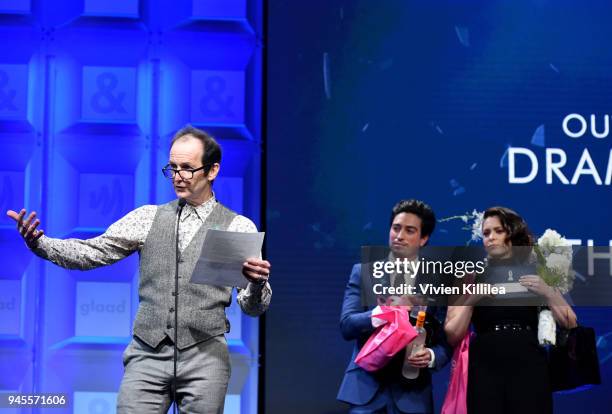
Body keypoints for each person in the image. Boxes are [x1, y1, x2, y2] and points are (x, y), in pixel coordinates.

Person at [6, 125, 272, 414]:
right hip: (147, 354)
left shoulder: (237, 226)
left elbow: (252, 306)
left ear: (212, 171)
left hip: (205, 357)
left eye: (187, 168)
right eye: (172, 168)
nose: (178, 177)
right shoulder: (147, 218)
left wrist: (257, 284)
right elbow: (91, 252)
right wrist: (41, 243)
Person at [444, 206, 577, 414]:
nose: (490, 238)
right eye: (486, 233)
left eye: (498, 231)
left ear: (513, 232)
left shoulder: (541, 270)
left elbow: (570, 322)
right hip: (484, 365)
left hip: (530, 363)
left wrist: (549, 292)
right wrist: (473, 298)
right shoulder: (469, 275)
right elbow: (452, 334)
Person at [337, 199, 452, 414]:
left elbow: (445, 341)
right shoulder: (363, 272)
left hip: (413, 394)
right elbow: (347, 325)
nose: (399, 236)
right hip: (366, 391)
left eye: (410, 231)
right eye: (396, 228)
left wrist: (431, 356)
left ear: (424, 238)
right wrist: (383, 313)